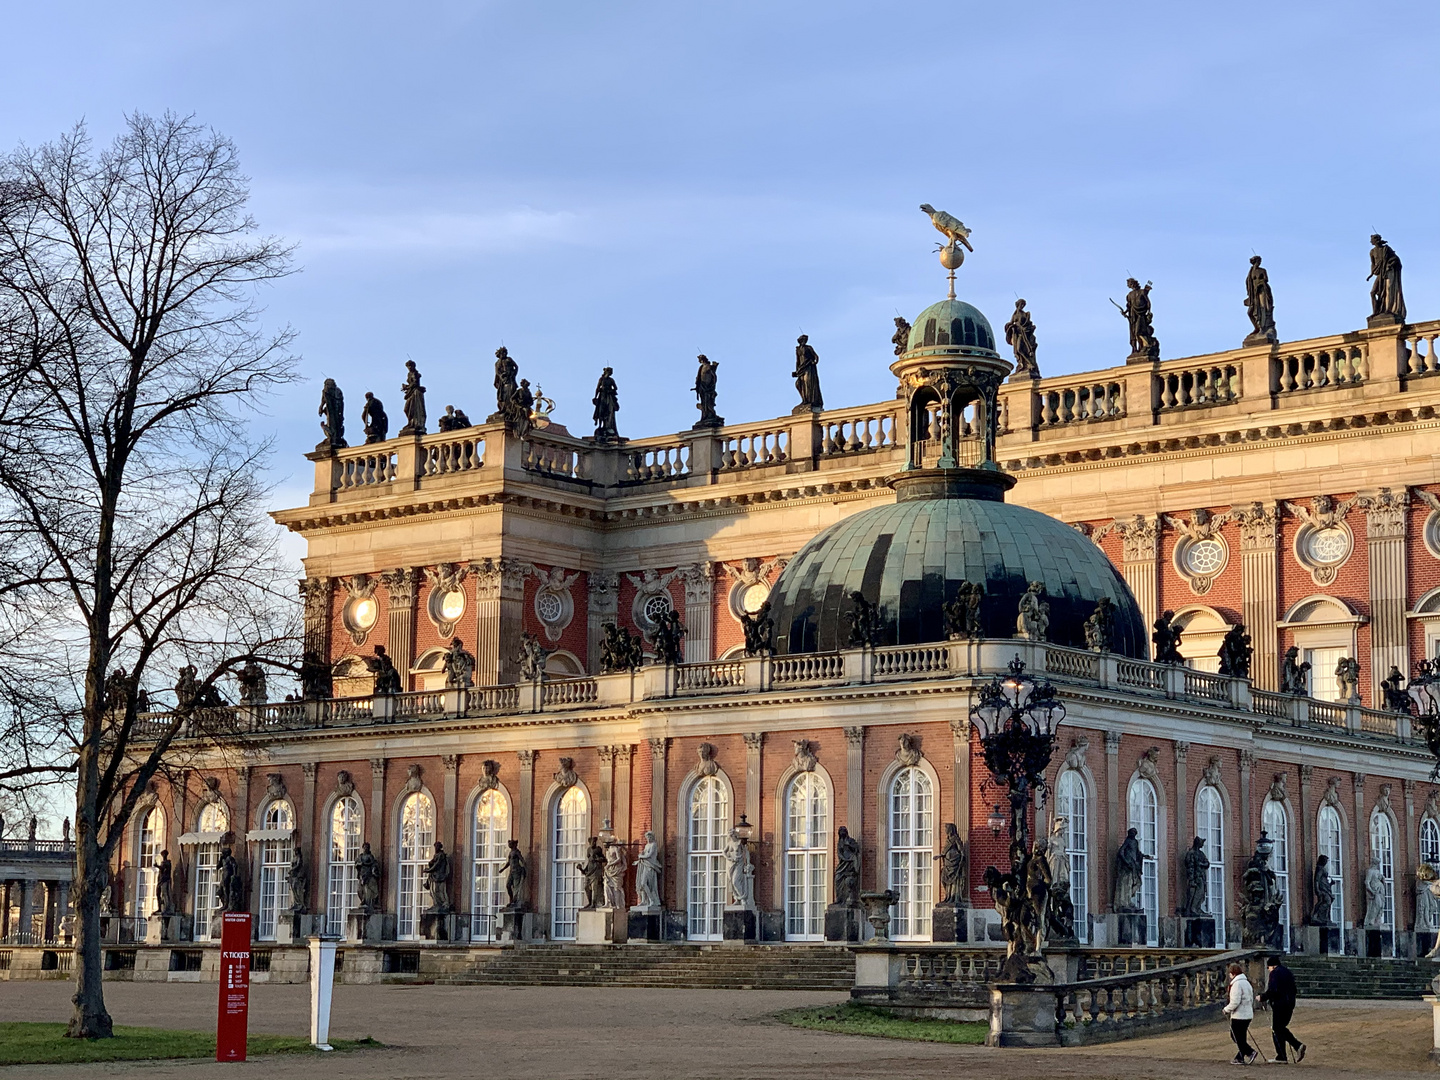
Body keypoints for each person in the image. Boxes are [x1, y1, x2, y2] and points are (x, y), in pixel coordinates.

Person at [1258, 954, 1305, 1064]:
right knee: (1280, 1028)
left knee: (1276, 1028)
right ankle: (1289, 1050)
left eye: (1268, 968)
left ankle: (1288, 1051)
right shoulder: (1287, 972)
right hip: (1289, 1004)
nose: (1268, 970)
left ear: (1272, 966)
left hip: (1280, 1004)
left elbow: (1273, 990)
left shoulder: (1275, 973)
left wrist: (1262, 997)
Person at [1222, 961, 1257, 1065]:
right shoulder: (1246, 983)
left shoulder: (1237, 984)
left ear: (1233, 973)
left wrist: (1226, 1009)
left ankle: (1250, 1052)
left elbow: (1235, 1001)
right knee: (1241, 1037)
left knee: (1235, 1036)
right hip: (1247, 1014)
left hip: (1239, 1015)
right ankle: (1240, 1057)